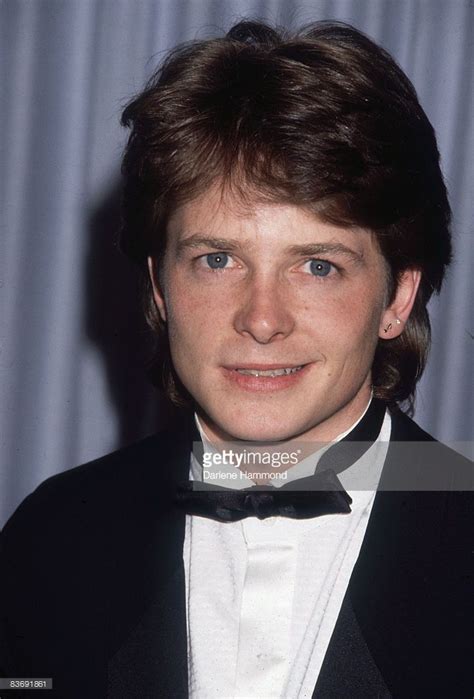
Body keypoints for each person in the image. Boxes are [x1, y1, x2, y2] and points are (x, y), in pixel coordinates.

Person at [0, 19, 472, 698]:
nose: (261, 318)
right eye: (217, 259)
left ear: (398, 296)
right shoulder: (52, 538)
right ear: (161, 287)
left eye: (317, 265)